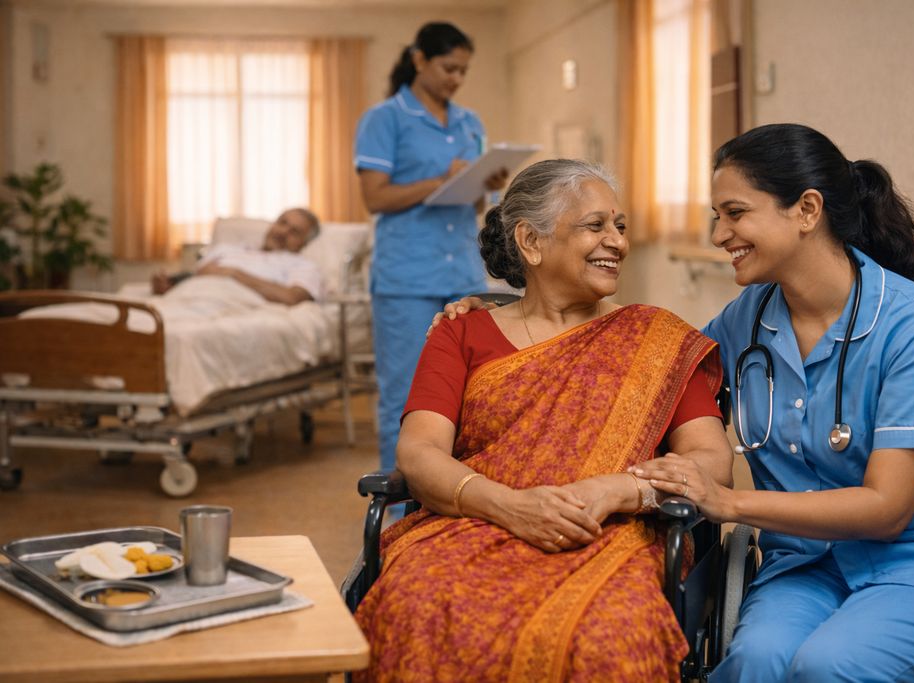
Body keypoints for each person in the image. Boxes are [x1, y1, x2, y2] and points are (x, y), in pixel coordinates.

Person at [438, 126, 914, 682]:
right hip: (806, 569)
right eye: (717, 217)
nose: (719, 235)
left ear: (807, 211)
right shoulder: (745, 323)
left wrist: (726, 501)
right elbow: (634, 360)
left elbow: (888, 507)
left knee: (828, 669)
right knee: (753, 668)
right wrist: (502, 308)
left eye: (736, 214)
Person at [353, 159, 734, 681]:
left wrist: (617, 491)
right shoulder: (461, 333)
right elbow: (419, 453)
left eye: (620, 227)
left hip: (612, 534)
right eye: (595, 226)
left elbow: (712, 461)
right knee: (414, 601)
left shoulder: (657, 338)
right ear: (531, 242)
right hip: (472, 523)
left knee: (609, 631)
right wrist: (511, 507)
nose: (618, 243)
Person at [353, 21, 509, 476]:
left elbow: (477, 201)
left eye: (463, 71)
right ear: (419, 59)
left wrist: (486, 181)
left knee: (474, 392)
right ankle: (396, 513)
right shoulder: (384, 119)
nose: (455, 79)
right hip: (406, 279)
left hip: (462, 271)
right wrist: (441, 180)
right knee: (404, 397)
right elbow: (375, 197)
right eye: (448, 68)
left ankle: (455, 495)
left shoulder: (469, 122)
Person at [151, 207, 323, 305]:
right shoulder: (228, 250)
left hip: (227, 306)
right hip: (186, 299)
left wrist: (234, 274)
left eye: (295, 231)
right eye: (282, 222)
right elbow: (197, 276)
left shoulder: (302, 266)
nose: (283, 232)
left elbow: (292, 298)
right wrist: (168, 285)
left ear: (304, 243)